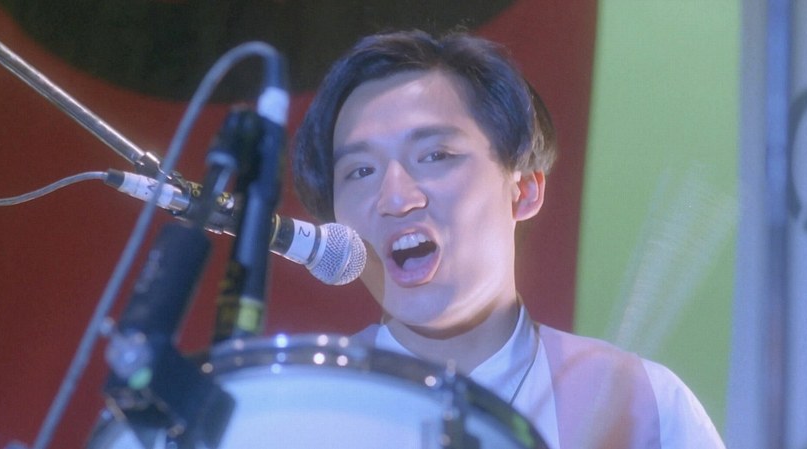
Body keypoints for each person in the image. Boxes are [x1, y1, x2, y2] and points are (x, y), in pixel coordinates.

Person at [292, 29, 725, 449]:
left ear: (524, 191)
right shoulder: (296, 408)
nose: (395, 198)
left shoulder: (641, 407)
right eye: (360, 171)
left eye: (435, 155)